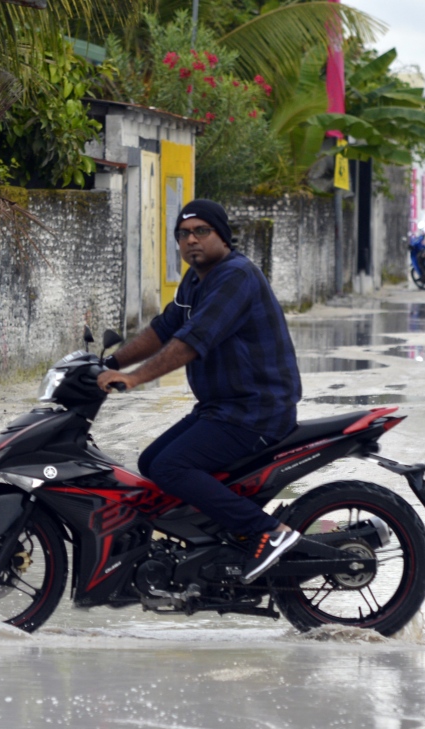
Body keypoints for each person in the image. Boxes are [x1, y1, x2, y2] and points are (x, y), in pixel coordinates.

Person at [98, 199, 303, 582]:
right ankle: (221, 538)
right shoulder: (196, 279)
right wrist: (110, 364)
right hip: (222, 408)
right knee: (149, 463)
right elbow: (163, 329)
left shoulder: (235, 276)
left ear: (222, 235)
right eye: (183, 234)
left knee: (169, 466)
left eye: (201, 231)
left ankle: (268, 532)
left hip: (255, 411)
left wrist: (136, 378)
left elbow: (192, 341)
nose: (191, 240)